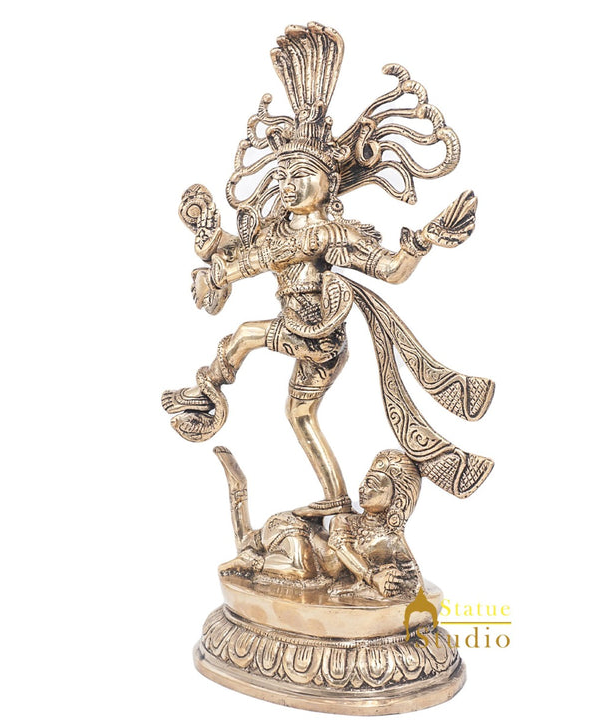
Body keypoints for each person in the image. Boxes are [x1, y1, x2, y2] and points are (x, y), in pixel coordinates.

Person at [162, 22, 495, 514]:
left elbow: (391, 270)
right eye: (283, 175)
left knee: (245, 336)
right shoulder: (275, 232)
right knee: (298, 415)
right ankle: (336, 498)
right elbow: (240, 257)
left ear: (330, 184)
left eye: (302, 174)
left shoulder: (334, 236)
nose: (288, 184)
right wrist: (210, 239)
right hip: (299, 327)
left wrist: (424, 241)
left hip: (319, 333)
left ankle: (207, 387)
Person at [217, 448, 424, 600]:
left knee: (306, 569)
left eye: (373, 485)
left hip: (307, 553)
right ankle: (249, 561)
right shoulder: (344, 519)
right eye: (365, 481)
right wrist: (372, 577)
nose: (363, 488)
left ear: (397, 500)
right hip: (295, 529)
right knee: (304, 572)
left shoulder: (391, 540)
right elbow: (343, 549)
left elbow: (415, 583)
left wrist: (392, 581)